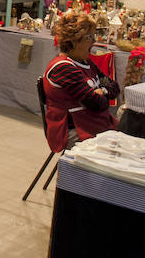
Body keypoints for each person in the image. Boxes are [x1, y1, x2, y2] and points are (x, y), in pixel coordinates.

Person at [42, 11, 119, 153]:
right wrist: (101, 96)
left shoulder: (87, 63)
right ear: (74, 40)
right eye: (89, 37)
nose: (93, 41)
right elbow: (97, 104)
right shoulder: (63, 68)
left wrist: (103, 91)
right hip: (72, 131)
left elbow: (114, 87)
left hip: (93, 125)